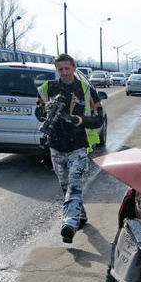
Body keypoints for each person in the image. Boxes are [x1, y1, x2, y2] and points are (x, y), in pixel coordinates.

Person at [35, 53, 104, 244]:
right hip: (56, 146)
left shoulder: (86, 89)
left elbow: (99, 118)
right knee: (65, 186)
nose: (64, 73)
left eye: (67, 68)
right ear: (57, 70)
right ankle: (80, 215)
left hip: (78, 145)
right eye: (60, 69)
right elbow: (37, 112)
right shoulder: (47, 88)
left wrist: (80, 120)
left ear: (74, 68)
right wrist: (46, 110)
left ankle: (69, 224)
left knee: (74, 185)